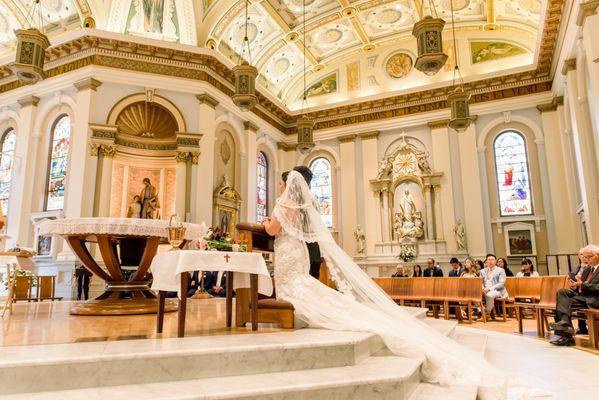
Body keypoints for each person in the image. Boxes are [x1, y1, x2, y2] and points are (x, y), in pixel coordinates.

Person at [261, 170, 535, 399]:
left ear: (289, 185)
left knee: (296, 286)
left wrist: (265, 221)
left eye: (284, 182)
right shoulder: (301, 206)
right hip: (295, 251)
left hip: (288, 252)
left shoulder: (283, 203)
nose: (282, 186)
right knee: (304, 285)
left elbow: (273, 229)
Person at [550, 245, 599, 346]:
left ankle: (566, 336)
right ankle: (565, 323)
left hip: (594, 299)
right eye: (585, 257)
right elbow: (581, 287)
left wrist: (582, 284)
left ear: (597, 255)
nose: (586, 259)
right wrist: (575, 286)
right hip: (583, 297)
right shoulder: (587, 270)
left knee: (561, 306)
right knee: (562, 293)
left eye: (589, 257)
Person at [294, 166, 322, 280]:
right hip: (314, 246)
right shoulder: (313, 199)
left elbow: (298, 223)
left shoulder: (301, 199)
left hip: (306, 246)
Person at [480, 253, 508, 319]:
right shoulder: (482, 271)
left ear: (495, 261)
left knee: (489, 295)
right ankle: (480, 310)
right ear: (486, 261)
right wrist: (483, 288)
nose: (490, 261)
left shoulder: (501, 270)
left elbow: (501, 284)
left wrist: (489, 289)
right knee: (472, 294)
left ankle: (487, 313)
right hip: (484, 290)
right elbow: (480, 282)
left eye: (492, 259)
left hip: (497, 290)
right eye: (488, 260)